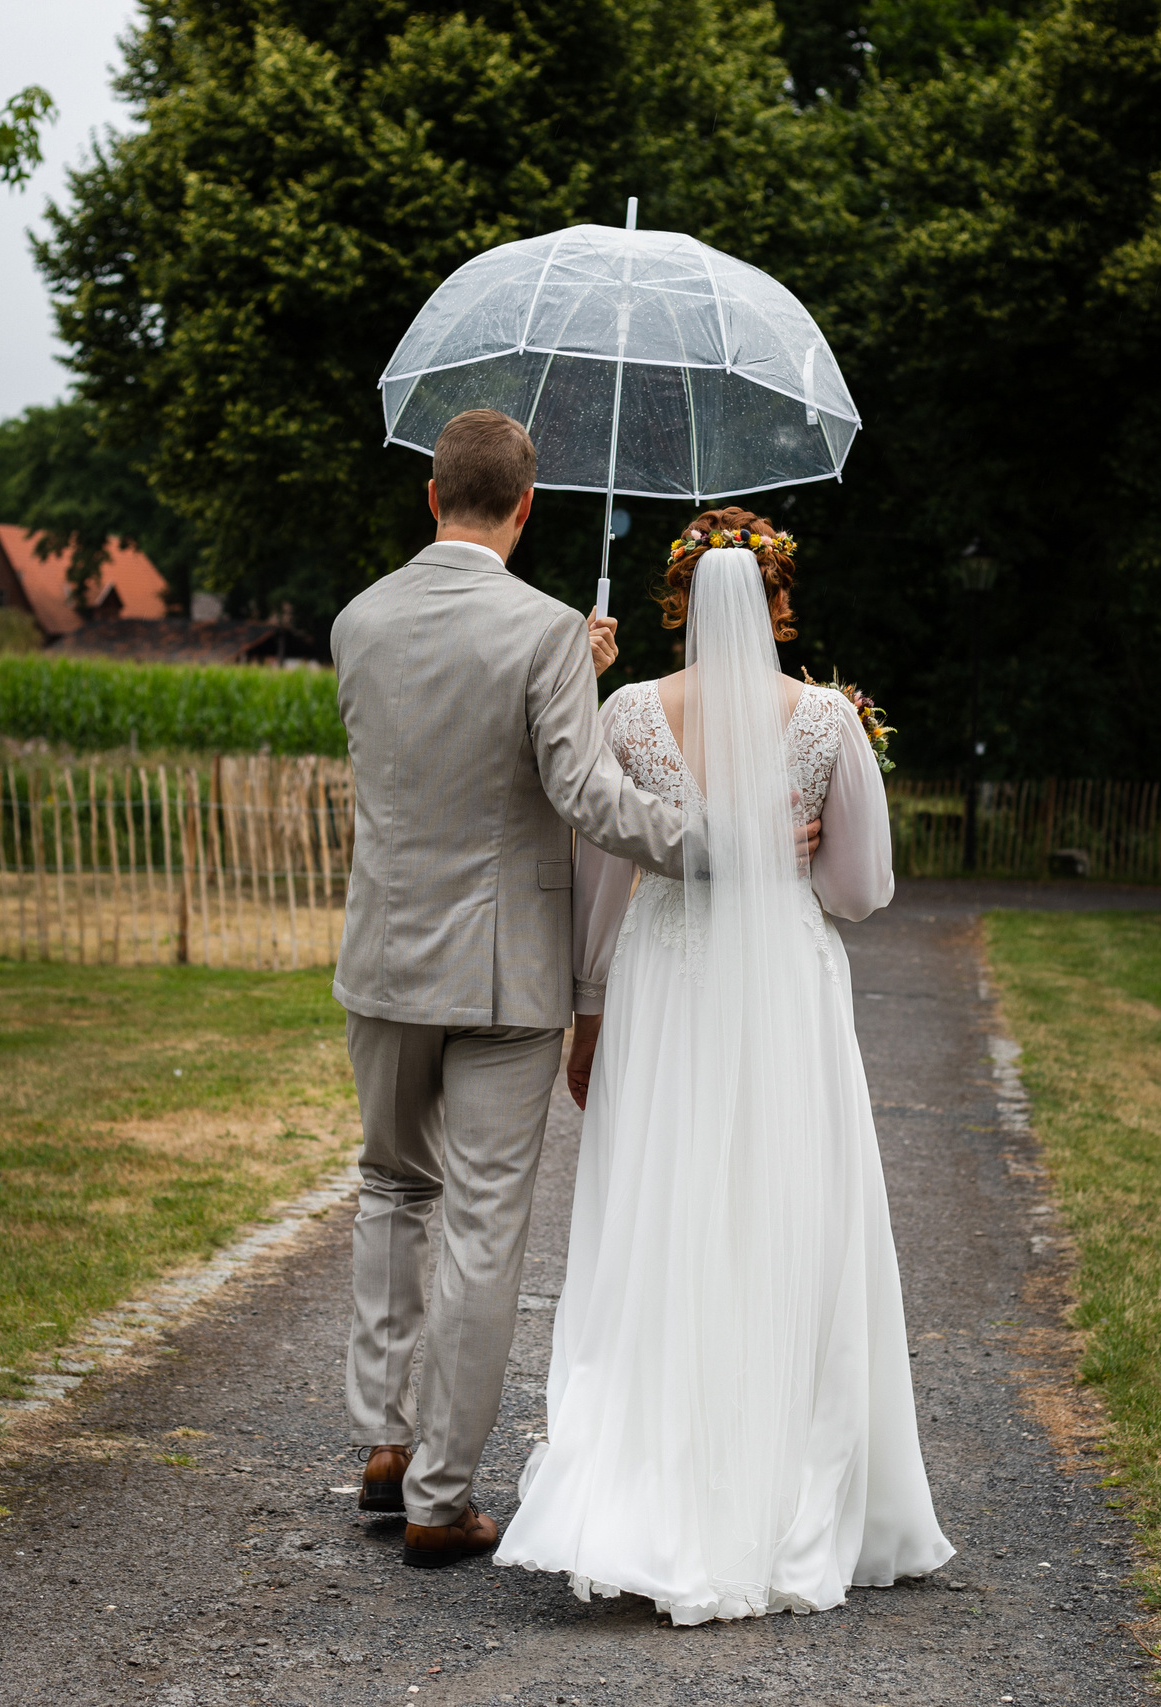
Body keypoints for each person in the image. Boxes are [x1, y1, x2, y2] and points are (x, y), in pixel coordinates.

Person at [330, 413, 812, 1568]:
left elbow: (433, 755)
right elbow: (588, 800)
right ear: (529, 506)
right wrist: (725, 841)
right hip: (504, 975)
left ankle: (383, 1443)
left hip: (385, 960)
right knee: (485, 1229)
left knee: (393, 1191)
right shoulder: (543, 630)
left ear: (430, 497)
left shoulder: (358, 621)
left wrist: (570, 673)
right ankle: (443, 1498)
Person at [495, 511, 954, 1622]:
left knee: (664, 1208)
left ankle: (651, 1483)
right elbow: (860, 892)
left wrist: (589, 1013)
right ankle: (791, 1485)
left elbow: (602, 885)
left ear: (678, 601)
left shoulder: (629, 712)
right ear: (781, 601)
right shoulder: (828, 722)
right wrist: (778, 850)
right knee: (789, 1211)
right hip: (787, 985)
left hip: (667, 978)